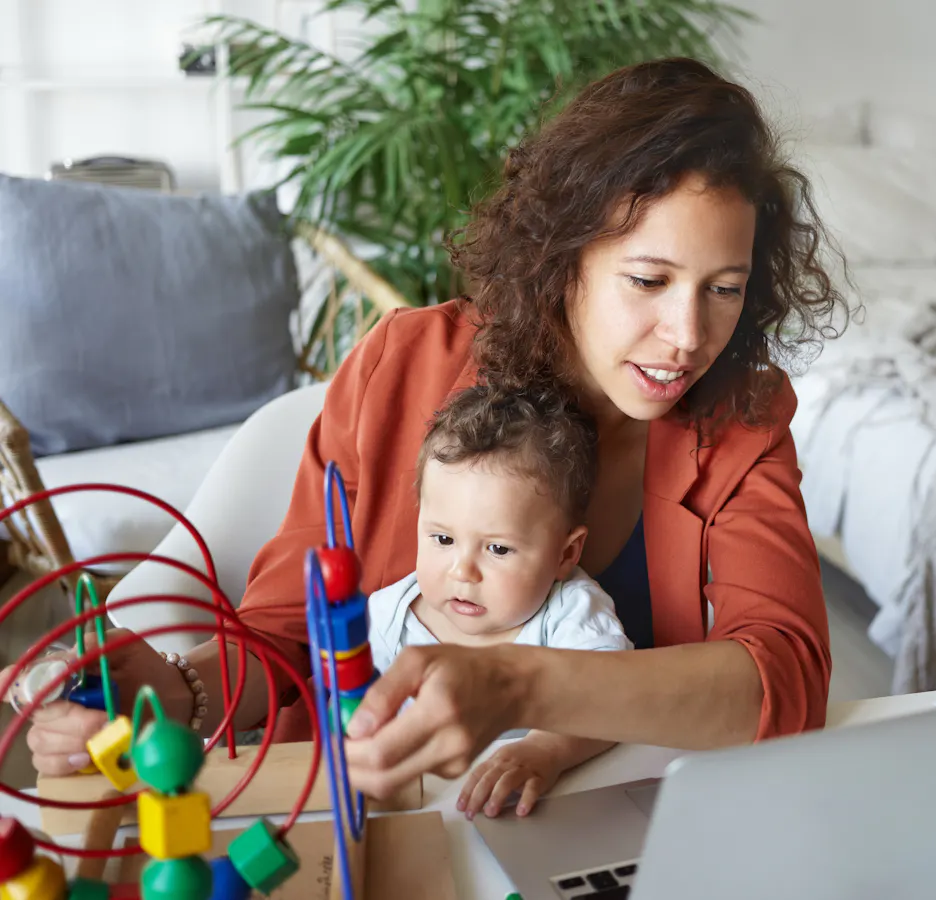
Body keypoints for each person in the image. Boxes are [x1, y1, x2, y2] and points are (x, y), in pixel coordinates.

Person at [18, 56, 846, 815]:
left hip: (639, 828)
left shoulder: (742, 412)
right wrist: (173, 686)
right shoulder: (403, 365)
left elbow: (784, 679)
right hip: (403, 823)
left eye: (724, 289)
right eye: (648, 280)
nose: (687, 336)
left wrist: (519, 684)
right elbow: (291, 638)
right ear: (566, 258)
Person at [368, 383, 631, 816]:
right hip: (420, 814)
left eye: (498, 549)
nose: (462, 571)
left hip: (535, 815)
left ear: (566, 553)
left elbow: (616, 700)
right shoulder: (387, 618)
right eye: (444, 539)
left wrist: (547, 750)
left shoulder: (570, 615)